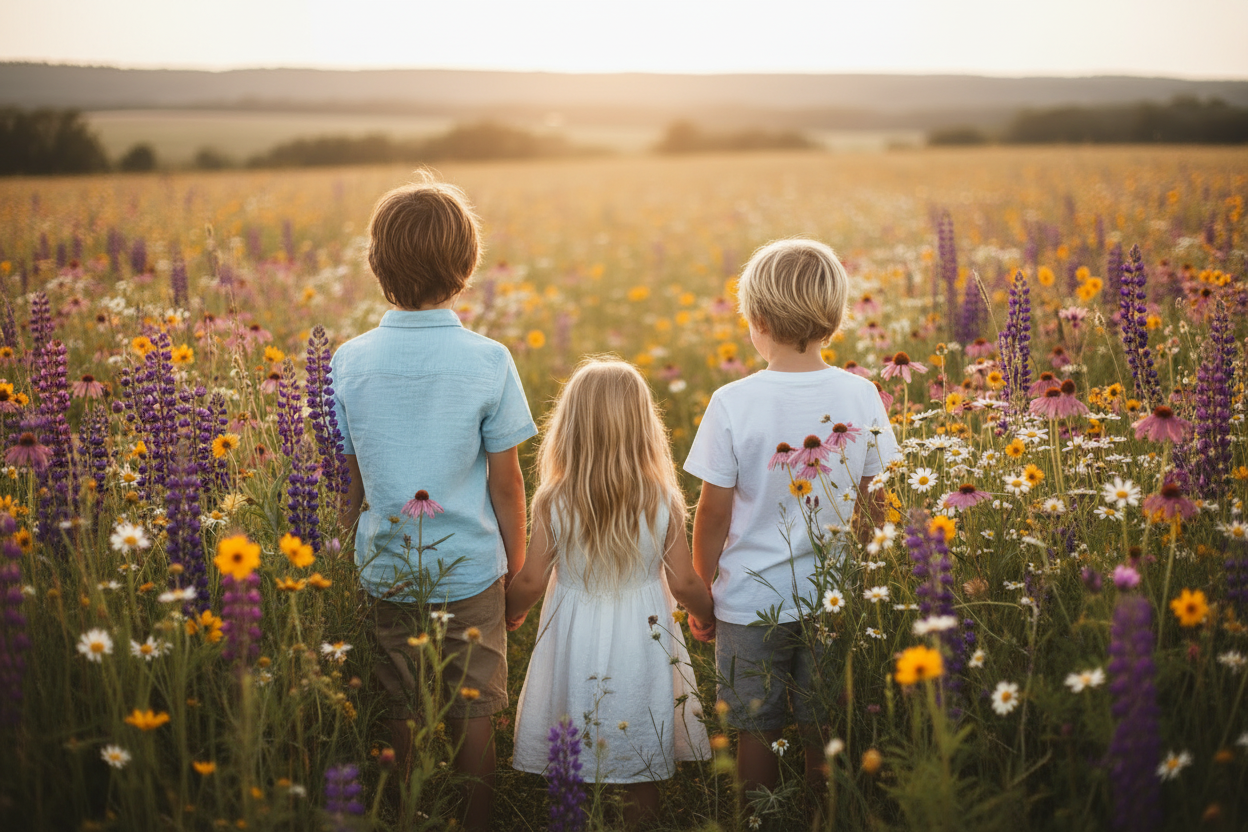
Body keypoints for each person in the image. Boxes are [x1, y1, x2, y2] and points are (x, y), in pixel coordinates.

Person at [332, 177, 536, 832]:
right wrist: (516, 570)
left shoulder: (349, 362)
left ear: (377, 264)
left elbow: (347, 479)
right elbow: (507, 483)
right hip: (472, 570)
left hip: (385, 568)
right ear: (467, 265)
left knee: (399, 706)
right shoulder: (489, 360)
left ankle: (403, 814)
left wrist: (338, 556)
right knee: (475, 710)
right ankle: (476, 820)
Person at [683, 239, 899, 806]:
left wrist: (701, 589)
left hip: (749, 601)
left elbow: (713, 510)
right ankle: (823, 813)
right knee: (823, 720)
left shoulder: (732, 401)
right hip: (835, 594)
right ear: (833, 316)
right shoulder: (861, 393)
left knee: (753, 725)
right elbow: (876, 501)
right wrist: (871, 573)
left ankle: (758, 814)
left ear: (756, 319)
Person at [506, 358, 714, 828]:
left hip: (573, 634)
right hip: (643, 633)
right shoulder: (660, 498)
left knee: (574, 731)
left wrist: (510, 610)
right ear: (643, 426)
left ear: (570, 427)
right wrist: (705, 614)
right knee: (641, 737)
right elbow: (683, 581)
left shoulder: (555, 498)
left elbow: (532, 579)